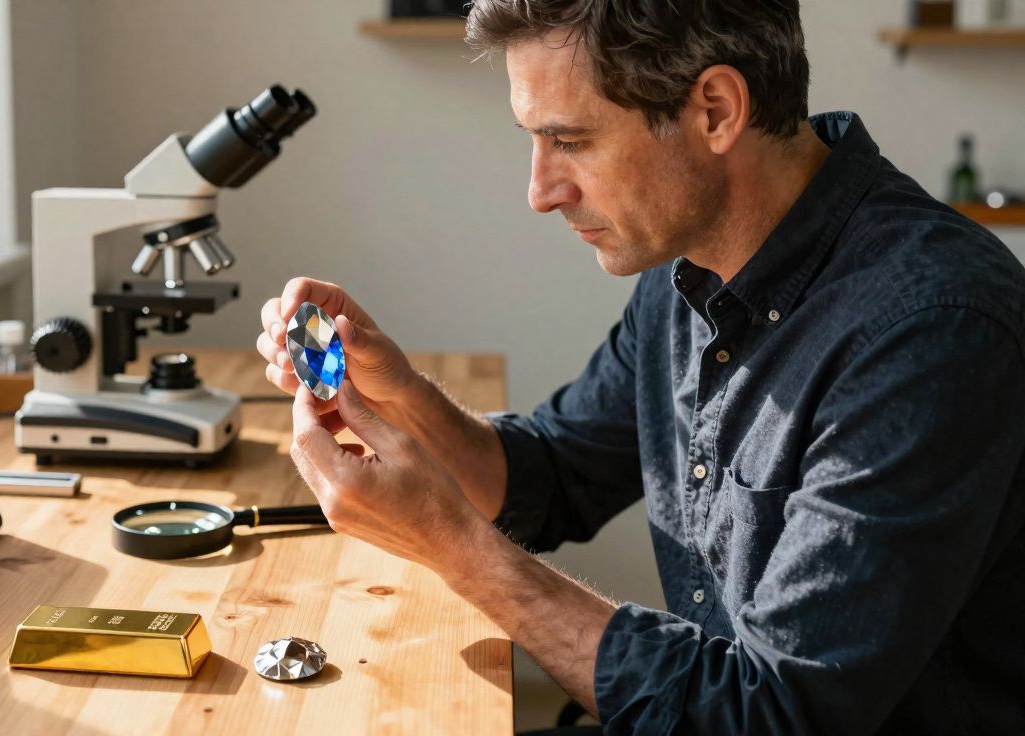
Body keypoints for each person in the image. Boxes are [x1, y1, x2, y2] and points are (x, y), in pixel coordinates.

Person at [254, 1, 1025, 733]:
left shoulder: (932, 332)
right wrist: (396, 392)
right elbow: (551, 476)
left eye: (570, 141)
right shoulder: (692, 260)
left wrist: (451, 545)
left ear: (716, 110)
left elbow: (771, 717)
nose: (541, 192)